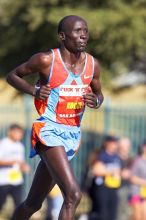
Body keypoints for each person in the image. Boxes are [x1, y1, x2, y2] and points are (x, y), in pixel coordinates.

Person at [6, 15, 104, 220]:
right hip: (49, 130)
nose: (83, 35)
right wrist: (34, 91)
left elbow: (99, 95)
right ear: (62, 36)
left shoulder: (93, 64)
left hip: (72, 135)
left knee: (33, 203)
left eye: (85, 31)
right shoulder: (46, 60)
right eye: (77, 31)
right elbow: (12, 76)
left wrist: (95, 101)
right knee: (73, 194)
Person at [89, 135, 122, 220]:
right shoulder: (101, 155)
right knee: (102, 214)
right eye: (112, 143)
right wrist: (111, 171)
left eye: (115, 143)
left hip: (113, 188)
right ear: (106, 143)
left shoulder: (116, 157)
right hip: (102, 188)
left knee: (112, 215)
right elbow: (96, 171)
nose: (114, 145)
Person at [0, 124, 30, 217]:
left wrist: (23, 166)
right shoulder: (3, 144)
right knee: (1, 203)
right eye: (18, 133)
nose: (20, 135)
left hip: (17, 180)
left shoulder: (20, 146)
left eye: (21, 133)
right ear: (11, 132)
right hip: (4, 180)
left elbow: (20, 162)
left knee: (19, 204)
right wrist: (12, 162)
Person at [128, 140, 146, 220]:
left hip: (144, 193)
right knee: (137, 217)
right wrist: (143, 182)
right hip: (136, 192)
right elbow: (131, 177)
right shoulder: (137, 161)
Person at [116, 137, 132, 220]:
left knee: (126, 212)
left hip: (128, 188)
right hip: (118, 188)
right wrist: (121, 173)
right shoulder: (115, 158)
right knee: (119, 212)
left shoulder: (129, 159)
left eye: (127, 146)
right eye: (124, 146)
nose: (126, 149)